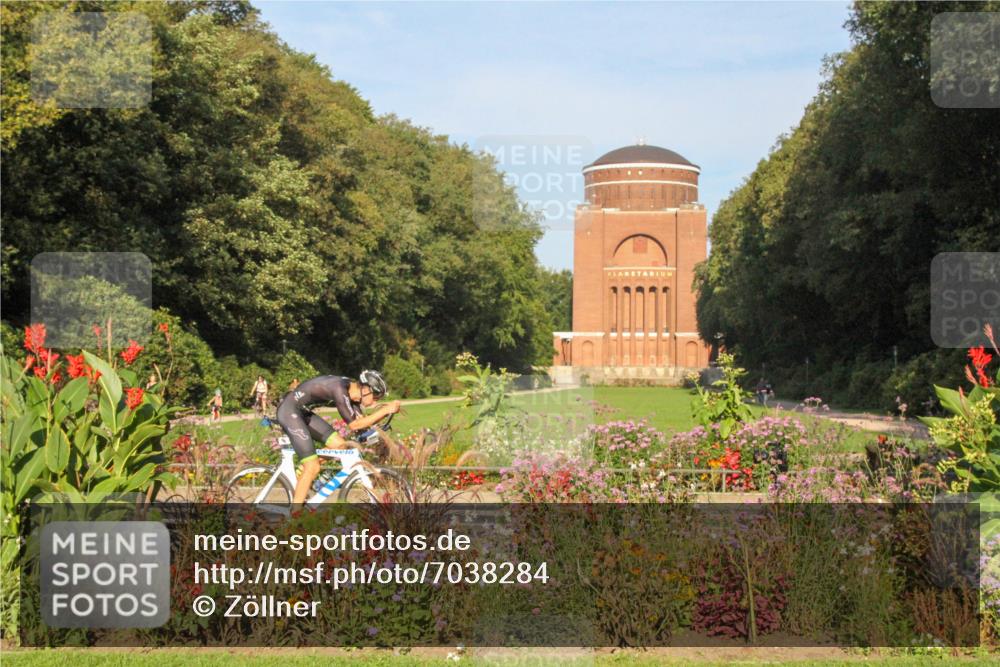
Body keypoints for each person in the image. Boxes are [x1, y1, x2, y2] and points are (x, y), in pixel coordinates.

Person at [277, 370, 400, 505]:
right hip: (289, 411)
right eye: (375, 398)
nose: (373, 403)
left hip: (302, 413)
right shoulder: (339, 389)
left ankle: (302, 472)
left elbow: (362, 425)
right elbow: (354, 425)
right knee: (312, 467)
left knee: (341, 446)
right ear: (365, 389)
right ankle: (295, 517)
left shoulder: (352, 395)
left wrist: (375, 431)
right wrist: (385, 410)